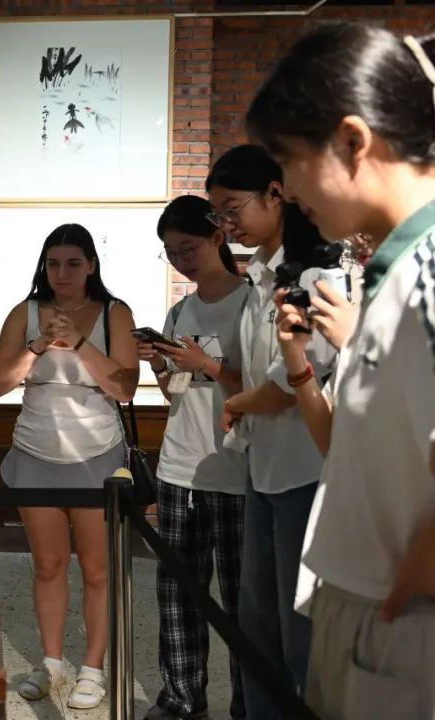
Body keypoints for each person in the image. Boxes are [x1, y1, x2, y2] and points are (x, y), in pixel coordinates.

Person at [247, 23, 435, 719]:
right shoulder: (395, 271)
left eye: (292, 161)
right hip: (364, 604)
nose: (290, 189)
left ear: (355, 141)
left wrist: (415, 581)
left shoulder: (426, 272)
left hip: (398, 620)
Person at [0, 224, 139, 710]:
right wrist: (36, 346)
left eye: (73, 263)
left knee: (97, 569)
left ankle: (93, 667)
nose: (62, 273)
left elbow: (125, 387)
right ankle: (51, 661)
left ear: (91, 265)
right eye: (53, 264)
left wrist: (78, 342)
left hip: (97, 453)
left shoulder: (115, 312)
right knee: (48, 565)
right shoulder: (26, 311)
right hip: (36, 450)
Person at [206, 144, 335, 720]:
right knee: (258, 625)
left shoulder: (316, 275)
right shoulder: (260, 275)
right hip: (264, 468)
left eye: (232, 209)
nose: (226, 225)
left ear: (276, 194)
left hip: (306, 471)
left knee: (299, 627)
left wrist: (238, 400)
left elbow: (292, 380)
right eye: (218, 214)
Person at [138, 196, 249, 720]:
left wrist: (206, 362)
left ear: (217, 239)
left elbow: (267, 387)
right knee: (179, 594)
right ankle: (183, 698)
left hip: (237, 469)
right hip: (179, 466)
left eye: (189, 249)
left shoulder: (253, 304)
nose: (182, 261)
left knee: (243, 602)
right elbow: (177, 394)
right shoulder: (181, 311)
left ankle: (250, 703)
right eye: (172, 252)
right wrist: (161, 366)